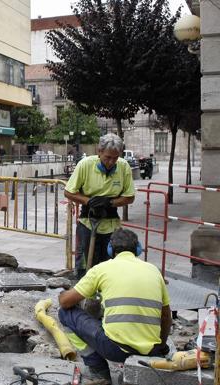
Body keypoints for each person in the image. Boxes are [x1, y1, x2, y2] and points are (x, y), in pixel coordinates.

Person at [58, 228, 171, 384]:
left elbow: (65, 302)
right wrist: (162, 346)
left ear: (110, 248)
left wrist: (62, 294)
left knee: (65, 313)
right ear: (138, 248)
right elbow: (166, 317)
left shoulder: (101, 269)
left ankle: (98, 368)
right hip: (151, 351)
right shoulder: (154, 271)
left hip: (115, 350)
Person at [64, 133, 135, 278]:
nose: (111, 162)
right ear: (99, 151)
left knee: (110, 266)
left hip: (111, 225)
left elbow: (129, 197)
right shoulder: (86, 165)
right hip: (88, 223)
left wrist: (110, 202)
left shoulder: (123, 166)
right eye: (108, 157)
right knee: (86, 266)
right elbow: (69, 192)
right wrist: (88, 201)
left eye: (115, 158)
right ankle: (84, 294)